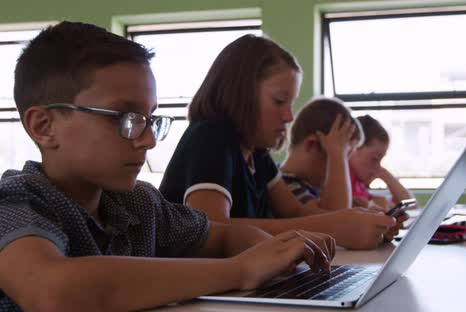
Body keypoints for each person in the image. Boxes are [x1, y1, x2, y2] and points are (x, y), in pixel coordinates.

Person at [0, 21, 335, 312]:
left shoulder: (140, 205)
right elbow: (53, 292)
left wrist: (274, 252)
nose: (148, 140)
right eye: (127, 118)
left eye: (150, 119)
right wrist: (239, 270)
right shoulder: (16, 201)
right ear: (44, 126)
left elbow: (227, 235)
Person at [160, 34, 401, 251]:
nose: (289, 116)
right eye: (279, 101)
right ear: (240, 94)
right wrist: (332, 227)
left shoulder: (257, 154)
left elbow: (297, 211)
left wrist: (359, 220)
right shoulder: (211, 136)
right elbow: (212, 227)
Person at [280, 97, 362, 211]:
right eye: (342, 157)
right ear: (311, 144)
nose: (343, 167)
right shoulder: (284, 185)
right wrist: (337, 155)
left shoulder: (309, 186)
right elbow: (337, 219)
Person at [349, 115, 414, 209]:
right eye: (374, 159)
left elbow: (409, 204)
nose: (377, 167)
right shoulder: (343, 178)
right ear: (353, 148)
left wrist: (384, 173)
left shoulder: (359, 183)